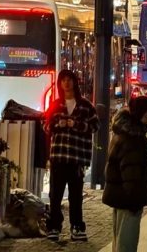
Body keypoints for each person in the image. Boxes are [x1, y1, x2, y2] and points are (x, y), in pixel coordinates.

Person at [44, 69, 99, 241]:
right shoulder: (55, 104)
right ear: (60, 84)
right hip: (59, 156)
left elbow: (95, 126)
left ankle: (77, 226)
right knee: (55, 194)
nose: (66, 83)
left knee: (76, 195)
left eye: (69, 79)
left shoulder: (85, 105)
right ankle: (54, 226)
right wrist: (58, 124)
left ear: (75, 82)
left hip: (77, 157)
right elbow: (46, 127)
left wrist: (75, 124)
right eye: (63, 80)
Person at [103, 95, 147, 252]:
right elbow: (131, 172)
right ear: (145, 114)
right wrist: (134, 199)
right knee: (127, 242)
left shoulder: (122, 132)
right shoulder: (134, 139)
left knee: (119, 239)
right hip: (129, 198)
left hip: (118, 194)